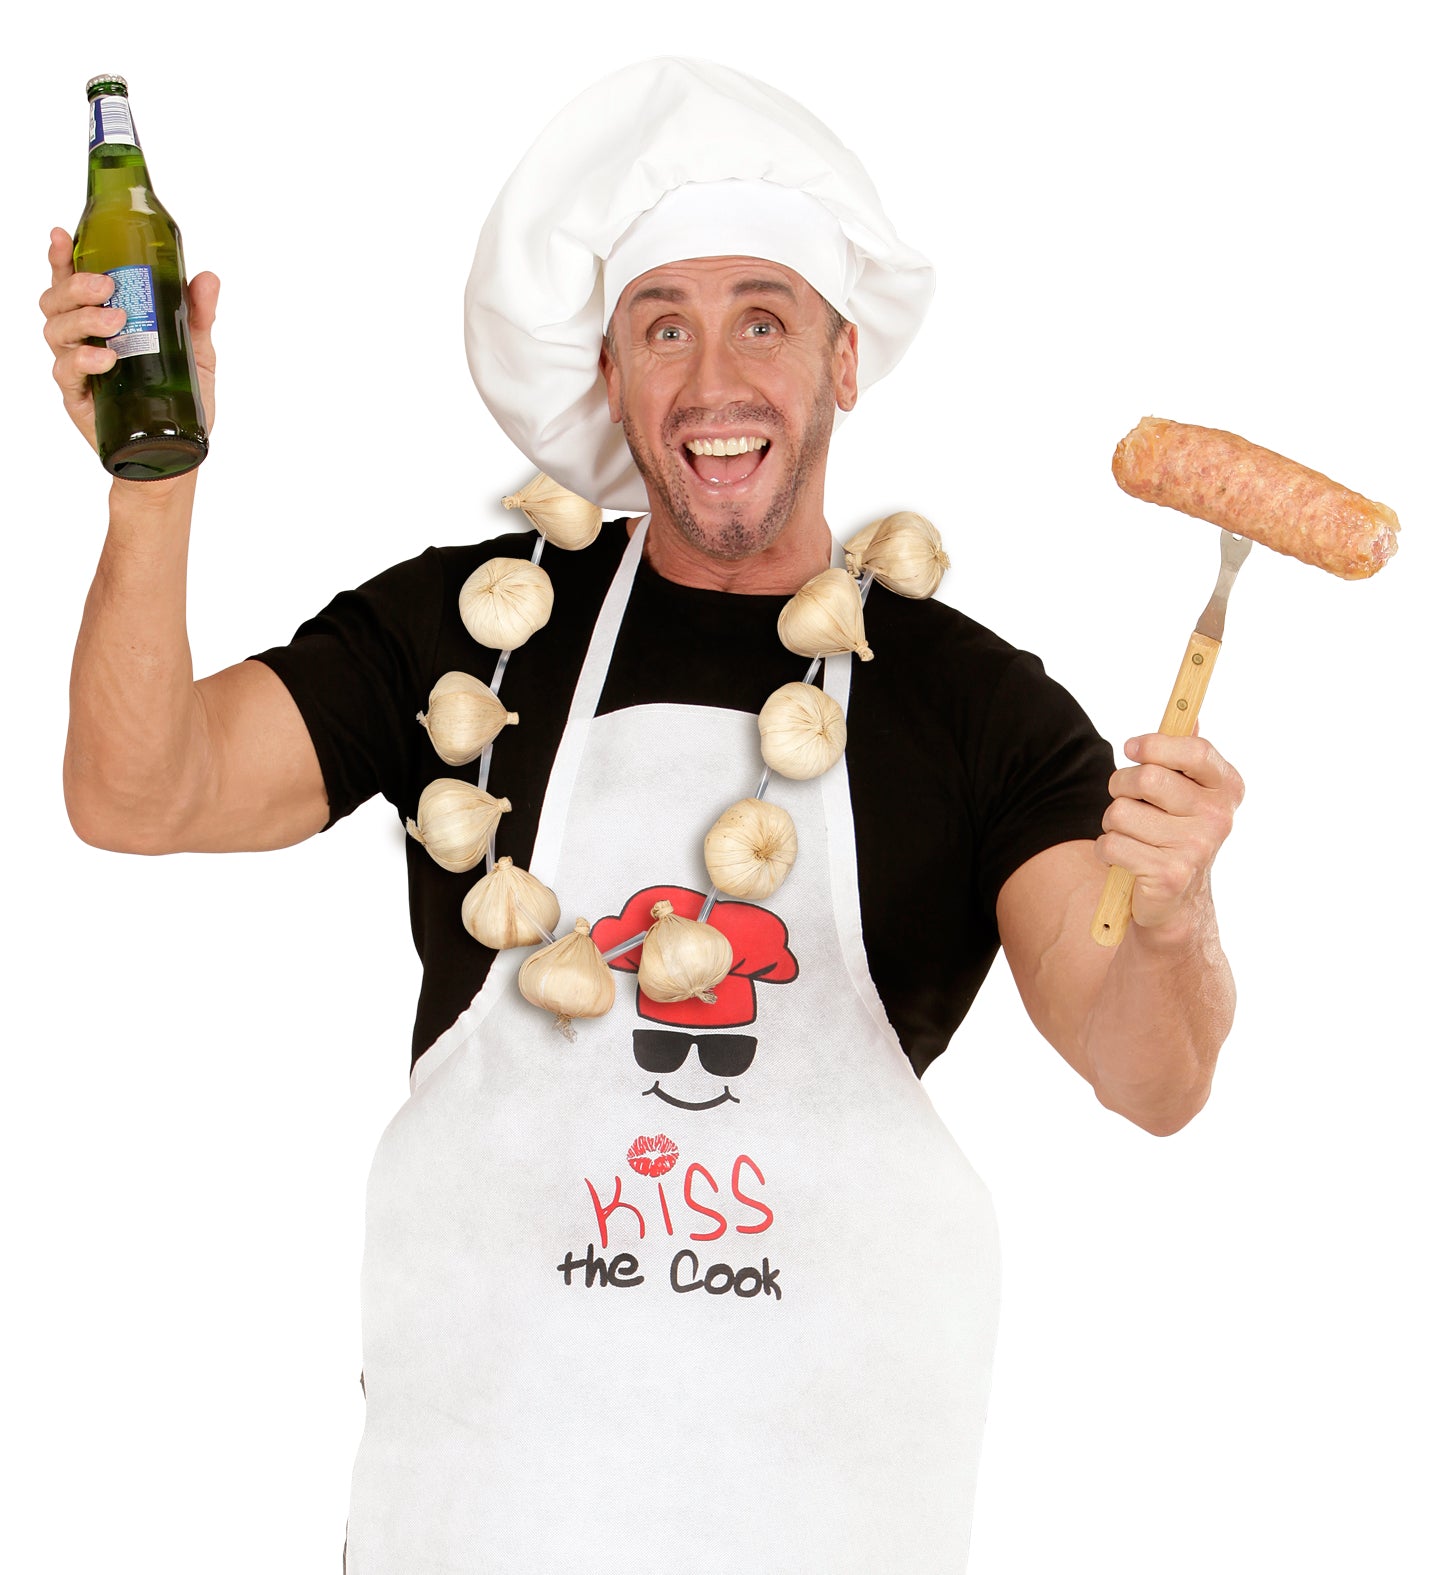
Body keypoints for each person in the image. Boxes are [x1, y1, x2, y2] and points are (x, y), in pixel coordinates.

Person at [41, 57, 1242, 1572]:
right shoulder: (472, 638)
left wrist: (1174, 914)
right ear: (610, 377)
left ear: (845, 359)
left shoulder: (973, 703)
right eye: (663, 326)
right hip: (476, 1530)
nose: (715, 380)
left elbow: (1152, 1075)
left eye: (765, 318)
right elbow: (138, 794)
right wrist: (151, 481)